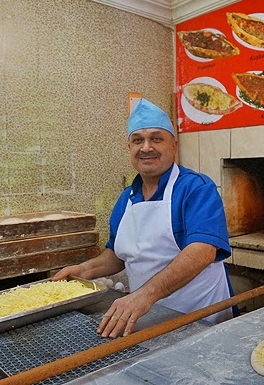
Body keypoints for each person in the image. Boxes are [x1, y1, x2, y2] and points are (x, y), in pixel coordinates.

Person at [53, 98, 233, 338]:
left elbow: (203, 251)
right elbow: (117, 255)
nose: (146, 147)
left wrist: (145, 295)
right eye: (138, 140)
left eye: (156, 138)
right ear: (129, 148)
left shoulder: (196, 188)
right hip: (150, 316)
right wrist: (83, 271)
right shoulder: (126, 199)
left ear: (173, 145)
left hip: (201, 317)